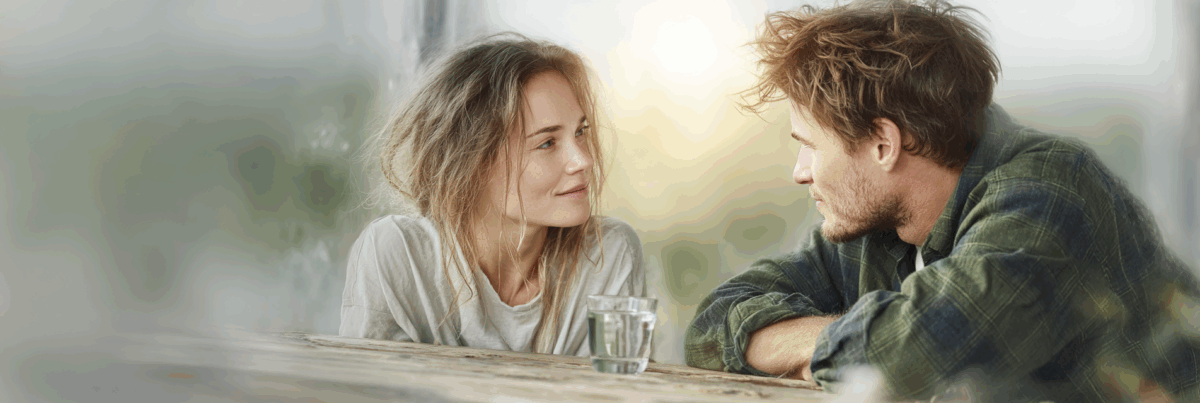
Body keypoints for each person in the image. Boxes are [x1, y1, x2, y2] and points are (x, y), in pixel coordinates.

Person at [684, 1, 1199, 401]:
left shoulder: (1051, 192)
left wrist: (795, 345)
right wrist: (843, 347)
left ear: (883, 144)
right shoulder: (875, 226)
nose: (800, 173)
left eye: (810, 146)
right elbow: (712, 325)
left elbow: (920, 352)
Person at [339, 34, 645, 357]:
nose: (584, 160)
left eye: (581, 132)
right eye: (547, 143)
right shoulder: (397, 255)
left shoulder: (608, 253)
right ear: (473, 162)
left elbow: (617, 384)